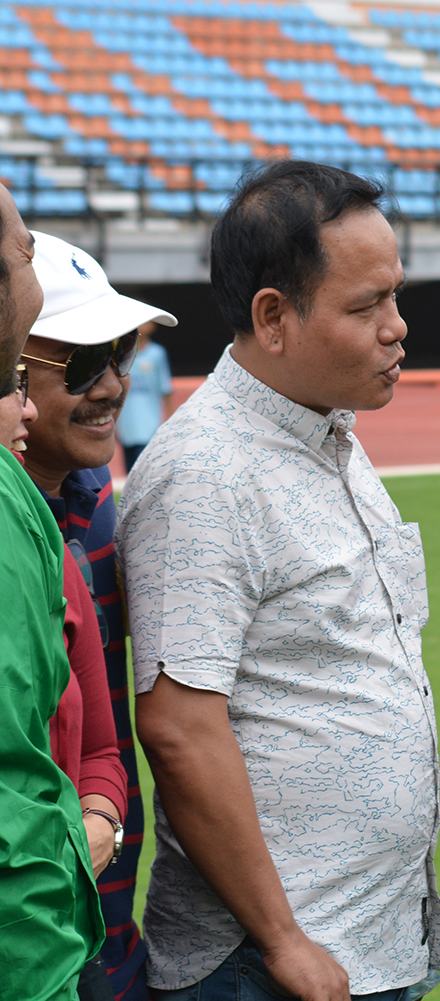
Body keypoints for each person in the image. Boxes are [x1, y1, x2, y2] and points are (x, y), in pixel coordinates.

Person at [116, 160, 440, 999]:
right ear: (274, 317)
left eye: (395, 295)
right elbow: (181, 729)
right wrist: (283, 938)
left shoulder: (328, 430)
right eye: (367, 306)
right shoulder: (205, 471)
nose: (397, 327)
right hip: (268, 967)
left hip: (367, 941)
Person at [18, 231, 175, 1001]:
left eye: (121, 351)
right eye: (83, 362)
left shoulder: (100, 509)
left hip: (109, 943)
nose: (113, 381)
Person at [0, 183, 104, 1001]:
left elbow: (102, 744)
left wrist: (96, 823)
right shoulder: (15, 511)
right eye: (86, 360)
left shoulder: (80, 526)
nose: (111, 384)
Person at [6, 358, 129, 1001]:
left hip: (65, 937)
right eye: (8, 386)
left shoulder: (50, 549)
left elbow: (105, 748)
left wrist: (99, 817)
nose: (23, 408)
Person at [116, 319, 173, 471]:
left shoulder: (157, 354)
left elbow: (165, 389)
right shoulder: (121, 354)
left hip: (149, 426)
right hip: (127, 426)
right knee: (130, 472)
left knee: (147, 471)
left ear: (152, 326)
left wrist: (170, 421)